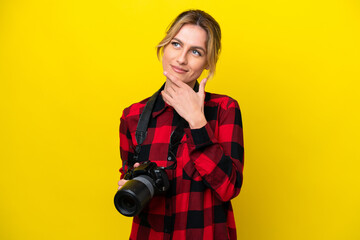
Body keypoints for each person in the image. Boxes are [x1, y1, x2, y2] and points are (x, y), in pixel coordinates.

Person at [117, 9, 244, 240]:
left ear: (208, 62)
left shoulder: (224, 110)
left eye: (196, 51)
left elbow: (229, 187)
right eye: (176, 44)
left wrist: (197, 121)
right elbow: (129, 178)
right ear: (164, 46)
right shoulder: (133, 116)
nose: (182, 58)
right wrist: (128, 184)